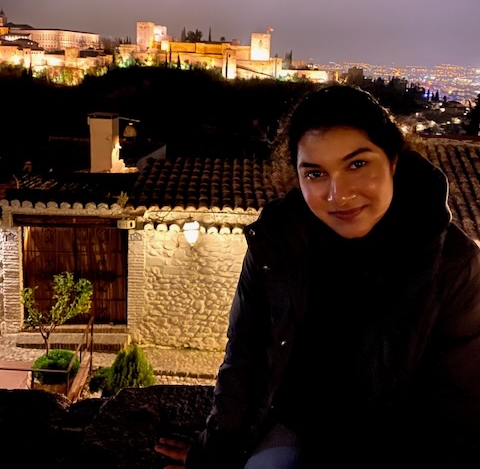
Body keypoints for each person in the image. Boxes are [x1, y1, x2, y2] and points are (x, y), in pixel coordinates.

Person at [155, 82, 480, 468]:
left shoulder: (452, 263)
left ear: (393, 160)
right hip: (295, 425)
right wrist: (212, 453)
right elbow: (244, 356)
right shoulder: (277, 242)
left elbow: (461, 409)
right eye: (315, 174)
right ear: (296, 175)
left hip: (399, 444)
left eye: (357, 164)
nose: (337, 194)